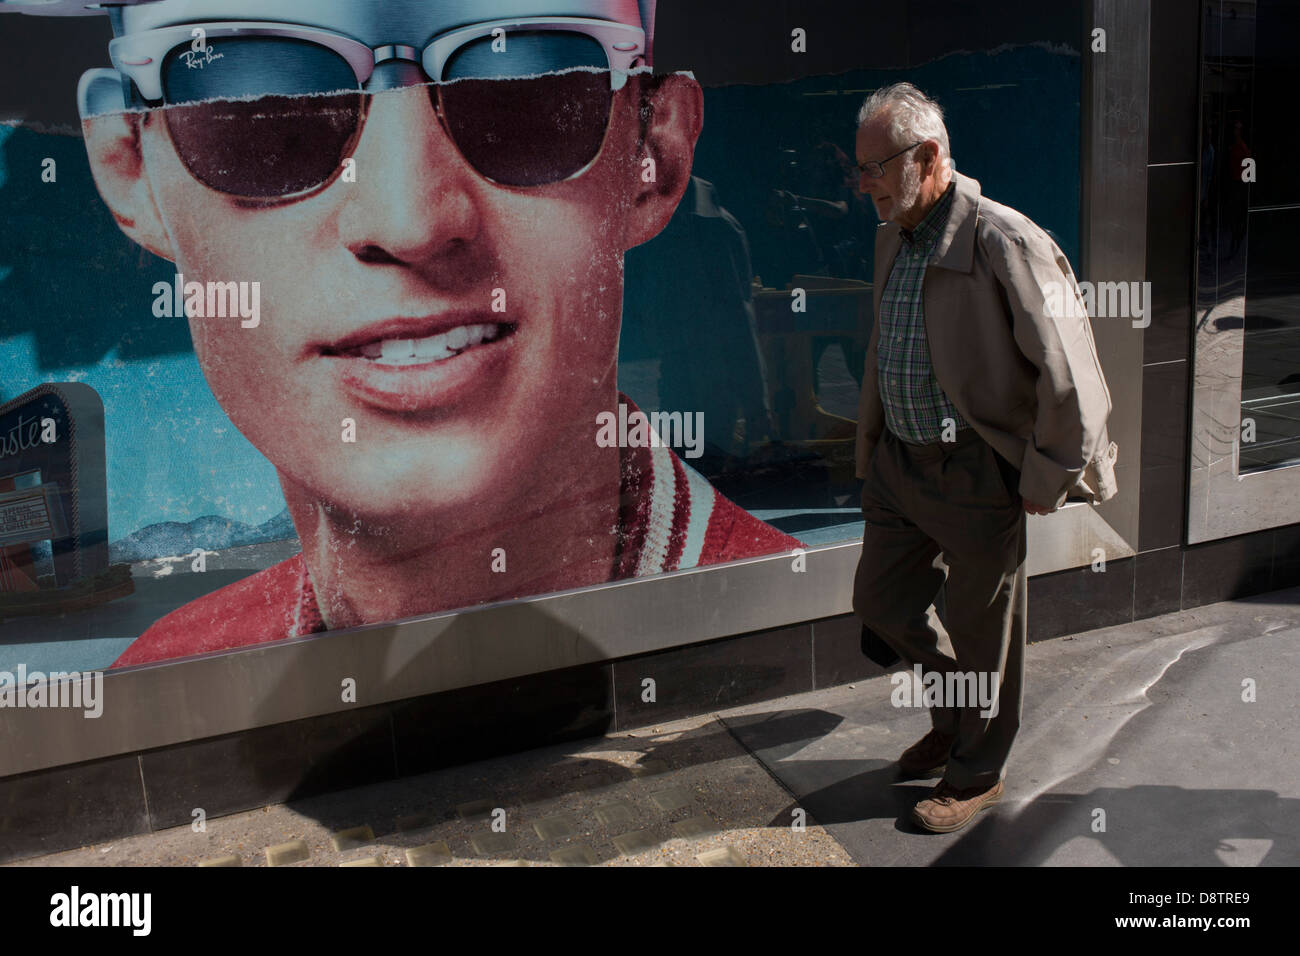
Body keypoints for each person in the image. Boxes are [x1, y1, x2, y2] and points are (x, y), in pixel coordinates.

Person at [5, 0, 801, 665]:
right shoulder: (164, 681)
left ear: (653, 154)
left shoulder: (787, 629)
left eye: (521, 87)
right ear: (127, 167)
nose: (410, 217)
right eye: (261, 104)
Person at [850, 83, 1117, 833]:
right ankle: (958, 714)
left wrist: (1048, 475)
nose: (862, 182)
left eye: (875, 167)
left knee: (981, 633)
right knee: (881, 604)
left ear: (928, 157)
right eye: (859, 168)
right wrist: (870, 445)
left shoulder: (1007, 240)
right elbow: (883, 351)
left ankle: (976, 771)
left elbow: (1072, 376)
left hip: (973, 472)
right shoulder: (891, 233)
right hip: (900, 467)